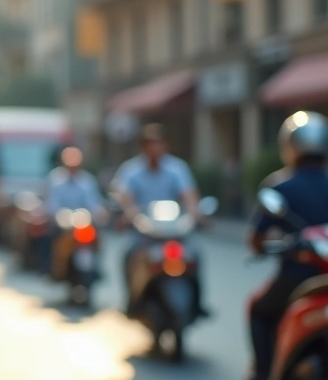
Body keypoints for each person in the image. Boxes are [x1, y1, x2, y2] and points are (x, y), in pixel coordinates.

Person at [246, 111, 328, 380]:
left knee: (258, 310)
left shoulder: (280, 186)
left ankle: (264, 377)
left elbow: (256, 238)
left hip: (297, 278)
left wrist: (265, 247)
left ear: (290, 145)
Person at [111, 124, 206, 317]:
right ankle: (132, 301)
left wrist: (196, 214)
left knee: (195, 254)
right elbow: (126, 197)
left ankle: (198, 304)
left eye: (159, 143)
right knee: (129, 254)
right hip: (145, 233)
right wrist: (130, 215)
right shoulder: (131, 171)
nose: (155, 147)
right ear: (143, 147)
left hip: (173, 230)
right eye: (151, 143)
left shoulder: (177, 168)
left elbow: (189, 195)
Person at [40, 147, 107, 273]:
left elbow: (94, 203)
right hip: (63, 225)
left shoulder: (87, 181)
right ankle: (53, 269)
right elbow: (52, 205)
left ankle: (97, 268)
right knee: (49, 238)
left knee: (98, 238)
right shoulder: (55, 180)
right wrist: (58, 216)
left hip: (83, 224)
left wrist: (100, 213)